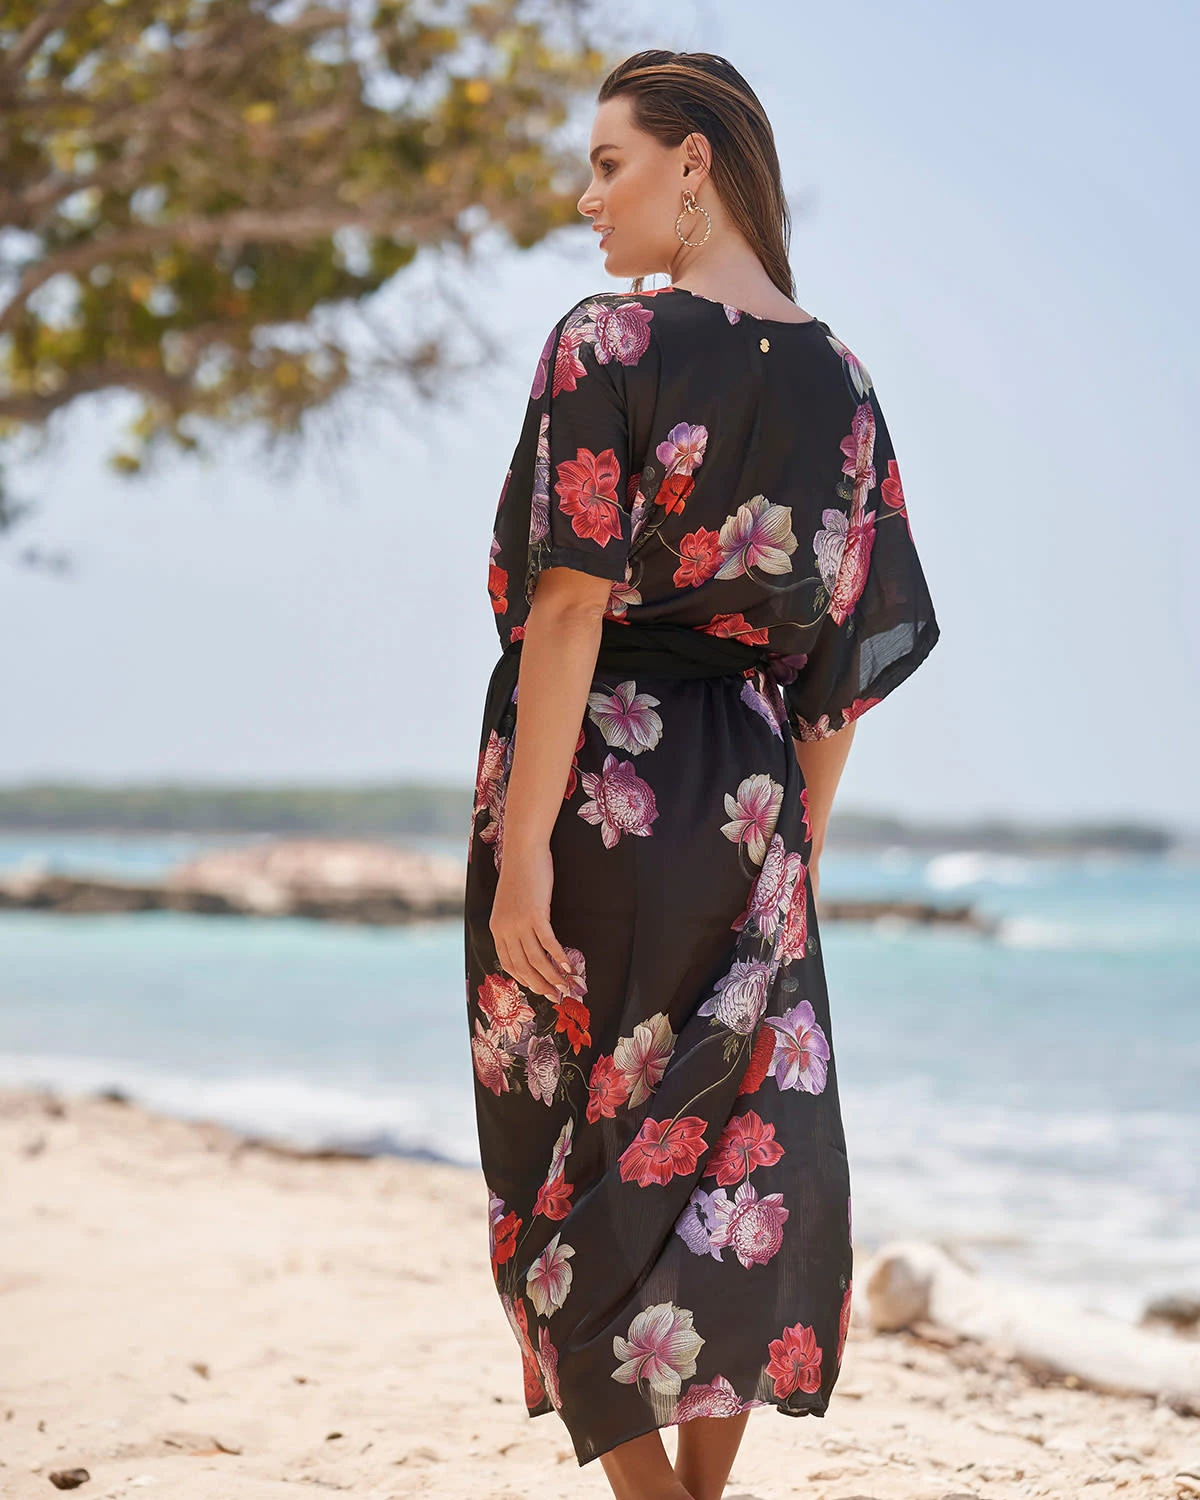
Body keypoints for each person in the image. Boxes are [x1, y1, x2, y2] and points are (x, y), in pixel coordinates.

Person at [463, 48, 941, 1500]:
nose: (587, 198)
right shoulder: (844, 383)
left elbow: (566, 609)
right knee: (735, 1157)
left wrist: (528, 850)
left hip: (595, 784)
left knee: (578, 1151)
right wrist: (796, 856)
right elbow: (841, 669)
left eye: (609, 164)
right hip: (752, 799)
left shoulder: (607, 343)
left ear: (694, 165)